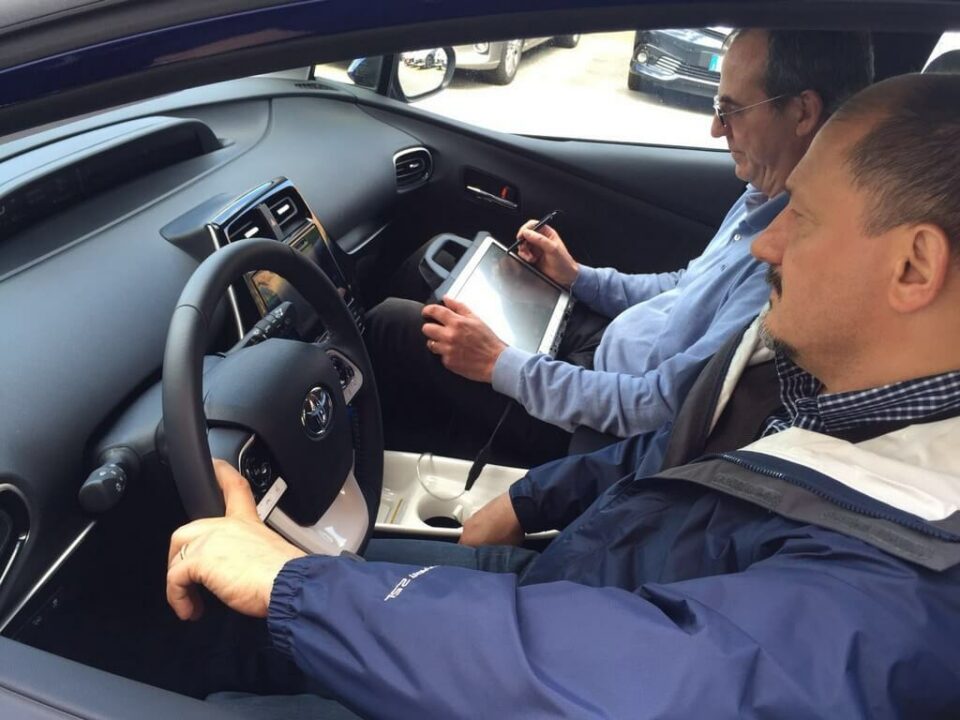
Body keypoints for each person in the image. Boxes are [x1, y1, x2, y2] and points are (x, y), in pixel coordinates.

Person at [169, 72, 960, 719]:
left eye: (805, 219)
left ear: (914, 267)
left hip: (577, 654)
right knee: (244, 630)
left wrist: (292, 586)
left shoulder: (901, 593)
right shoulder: (823, 383)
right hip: (585, 578)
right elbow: (693, 447)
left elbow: (644, 681)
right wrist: (534, 497)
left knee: (215, 675)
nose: (767, 244)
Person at [366, 29, 875, 467]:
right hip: (601, 351)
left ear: (802, 112)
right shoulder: (761, 198)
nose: (716, 128)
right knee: (439, 263)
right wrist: (577, 277)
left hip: (597, 424)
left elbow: (658, 407)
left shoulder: (788, 263)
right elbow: (686, 286)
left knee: (393, 324)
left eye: (732, 110)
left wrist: (499, 364)